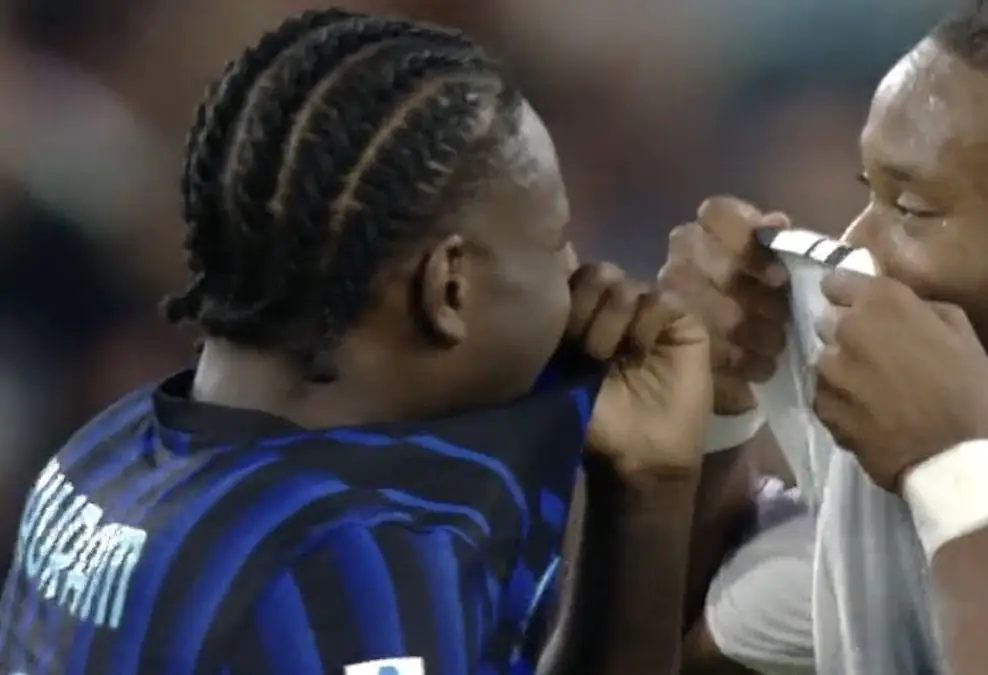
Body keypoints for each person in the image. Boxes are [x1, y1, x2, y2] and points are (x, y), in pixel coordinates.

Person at [0, 10, 712, 675]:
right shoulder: (347, 565)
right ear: (449, 287)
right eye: (555, 241)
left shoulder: (102, 451)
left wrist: (643, 488)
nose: (580, 275)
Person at [662, 0, 988, 673]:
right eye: (868, 193)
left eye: (912, 209)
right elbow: (670, 648)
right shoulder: (902, 508)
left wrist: (960, 477)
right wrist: (712, 411)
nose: (856, 248)